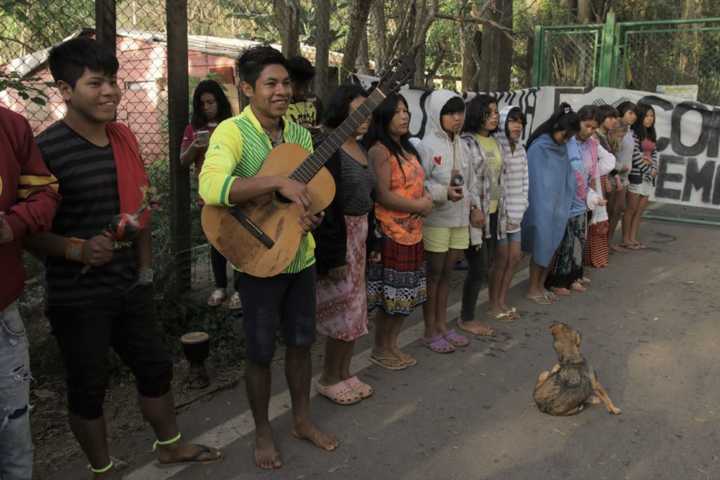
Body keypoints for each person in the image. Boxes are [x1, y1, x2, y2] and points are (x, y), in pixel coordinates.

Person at [26, 38, 221, 479]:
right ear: (64, 90)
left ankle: (170, 446)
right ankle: (103, 470)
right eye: (96, 83)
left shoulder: (124, 137)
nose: (111, 91)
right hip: (78, 296)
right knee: (88, 388)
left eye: (112, 81)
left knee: (154, 367)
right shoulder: (45, 151)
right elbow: (30, 233)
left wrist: (146, 270)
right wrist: (76, 249)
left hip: (129, 285)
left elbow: (142, 209)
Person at [199, 45, 337, 470]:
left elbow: (306, 197)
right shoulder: (231, 133)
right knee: (259, 353)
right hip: (257, 261)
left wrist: (310, 216)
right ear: (246, 87)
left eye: (285, 83)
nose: (282, 91)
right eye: (270, 84)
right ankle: (262, 430)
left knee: (301, 344)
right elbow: (211, 187)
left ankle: (300, 420)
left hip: (300, 259)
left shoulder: (297, 133)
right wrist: (275, 180)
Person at [0, 106, 60, 480]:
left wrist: (13, 224)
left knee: (13, 429)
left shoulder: (10, 126)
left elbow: (44, 193)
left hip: (2, 312)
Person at [313, 84, 375, 405]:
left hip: (360, 237)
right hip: (340, 240)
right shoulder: (329, 147)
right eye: (358, 112)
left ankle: (345, 372)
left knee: (356, 313)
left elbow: (368, 199)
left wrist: (371, 240)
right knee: (340, 314)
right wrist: (334, 256)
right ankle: (328, 377)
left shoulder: (360, 147)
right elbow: (327, 205)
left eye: (368, 112)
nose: (365, 118)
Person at [365, 93, 432, 370]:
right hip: (392, 232)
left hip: (414, 232)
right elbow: (382, 195)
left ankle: (392, 345)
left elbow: (418, 183)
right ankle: (381, 348)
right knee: (390, 297)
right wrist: (419, 204)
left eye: (406, 111)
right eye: (397, 112)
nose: (404, 116)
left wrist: (426, 199)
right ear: (383, 117)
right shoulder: (379, 150)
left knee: (405, 296)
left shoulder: (407, 148)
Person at [413, 90, 474, 353]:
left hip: (459, 219)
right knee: (434, 275)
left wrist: (474, 208)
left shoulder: (464, 144)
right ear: (437, 114)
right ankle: (429, 329)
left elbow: (471, 182)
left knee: (448, 275)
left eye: (460, 112)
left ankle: (442, 325)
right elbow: (419, 185)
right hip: (437, 219)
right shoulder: (425, 145)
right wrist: (442, 192)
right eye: (450, 113)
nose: (456, 118)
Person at [180, 79, 239, 308]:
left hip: (234, 190)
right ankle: (220, 286)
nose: (206, 107)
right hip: (208, 194)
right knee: (216, 241)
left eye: (210, 102)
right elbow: (182, 161)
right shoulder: (193, 128)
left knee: (237, 241)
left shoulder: (233, 125)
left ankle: (240, 289)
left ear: (219, 102)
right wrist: (195, 146)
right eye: (202, 103)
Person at [522, 104, 579, 304]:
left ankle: (540, 285)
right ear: (556, 127)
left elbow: (567, 177)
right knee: (541, 244)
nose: (567, 140)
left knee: (552, 244)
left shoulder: (561, 147)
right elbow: (534, 182)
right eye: (566, 136)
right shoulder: (539, 147)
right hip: (541, 206)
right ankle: (532, 288)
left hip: (557, 205)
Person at [458, 94, 500, 333]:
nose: (494, 116)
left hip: (494, 212)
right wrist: (474, 208)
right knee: (478, 266)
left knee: (486, 265)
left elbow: (497, 178)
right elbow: (466, 180)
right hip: (474, 214)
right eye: (489, 112)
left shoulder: (496, 142)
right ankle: (466, 317)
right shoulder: (466, 142)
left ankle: (469, 313)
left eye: (495, 112)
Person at [492, 106, 529, 317]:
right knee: (501, 259)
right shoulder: (498, 149)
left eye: (520, 122)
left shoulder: (522, 149)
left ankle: (502, 301)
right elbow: (497, 185)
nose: (517, 126)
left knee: (515, 258)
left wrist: (522, 208)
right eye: (513, 121)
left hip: (517, 214)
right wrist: (503, 214)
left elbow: (525, 183)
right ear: (504, 123)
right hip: (500, 215)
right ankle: (493, 304)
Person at [622, 102, 657, 250]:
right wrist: (649, 169)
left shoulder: (651, 135)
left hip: (649, 178)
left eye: (652, 116)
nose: (650, 119)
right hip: (636, 176)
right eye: (647, 116)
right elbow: (636, 157)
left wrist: (654, 168)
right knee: (631, 209)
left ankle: (633, 238)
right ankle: (625, 239)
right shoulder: (634, 134)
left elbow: (654, 154)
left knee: (640, 211)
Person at [285, 55, 323, 137]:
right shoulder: (278, 104)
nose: (302, 92)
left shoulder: (315, 102)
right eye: (297, 87)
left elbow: (320, 128)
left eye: (306, 86)